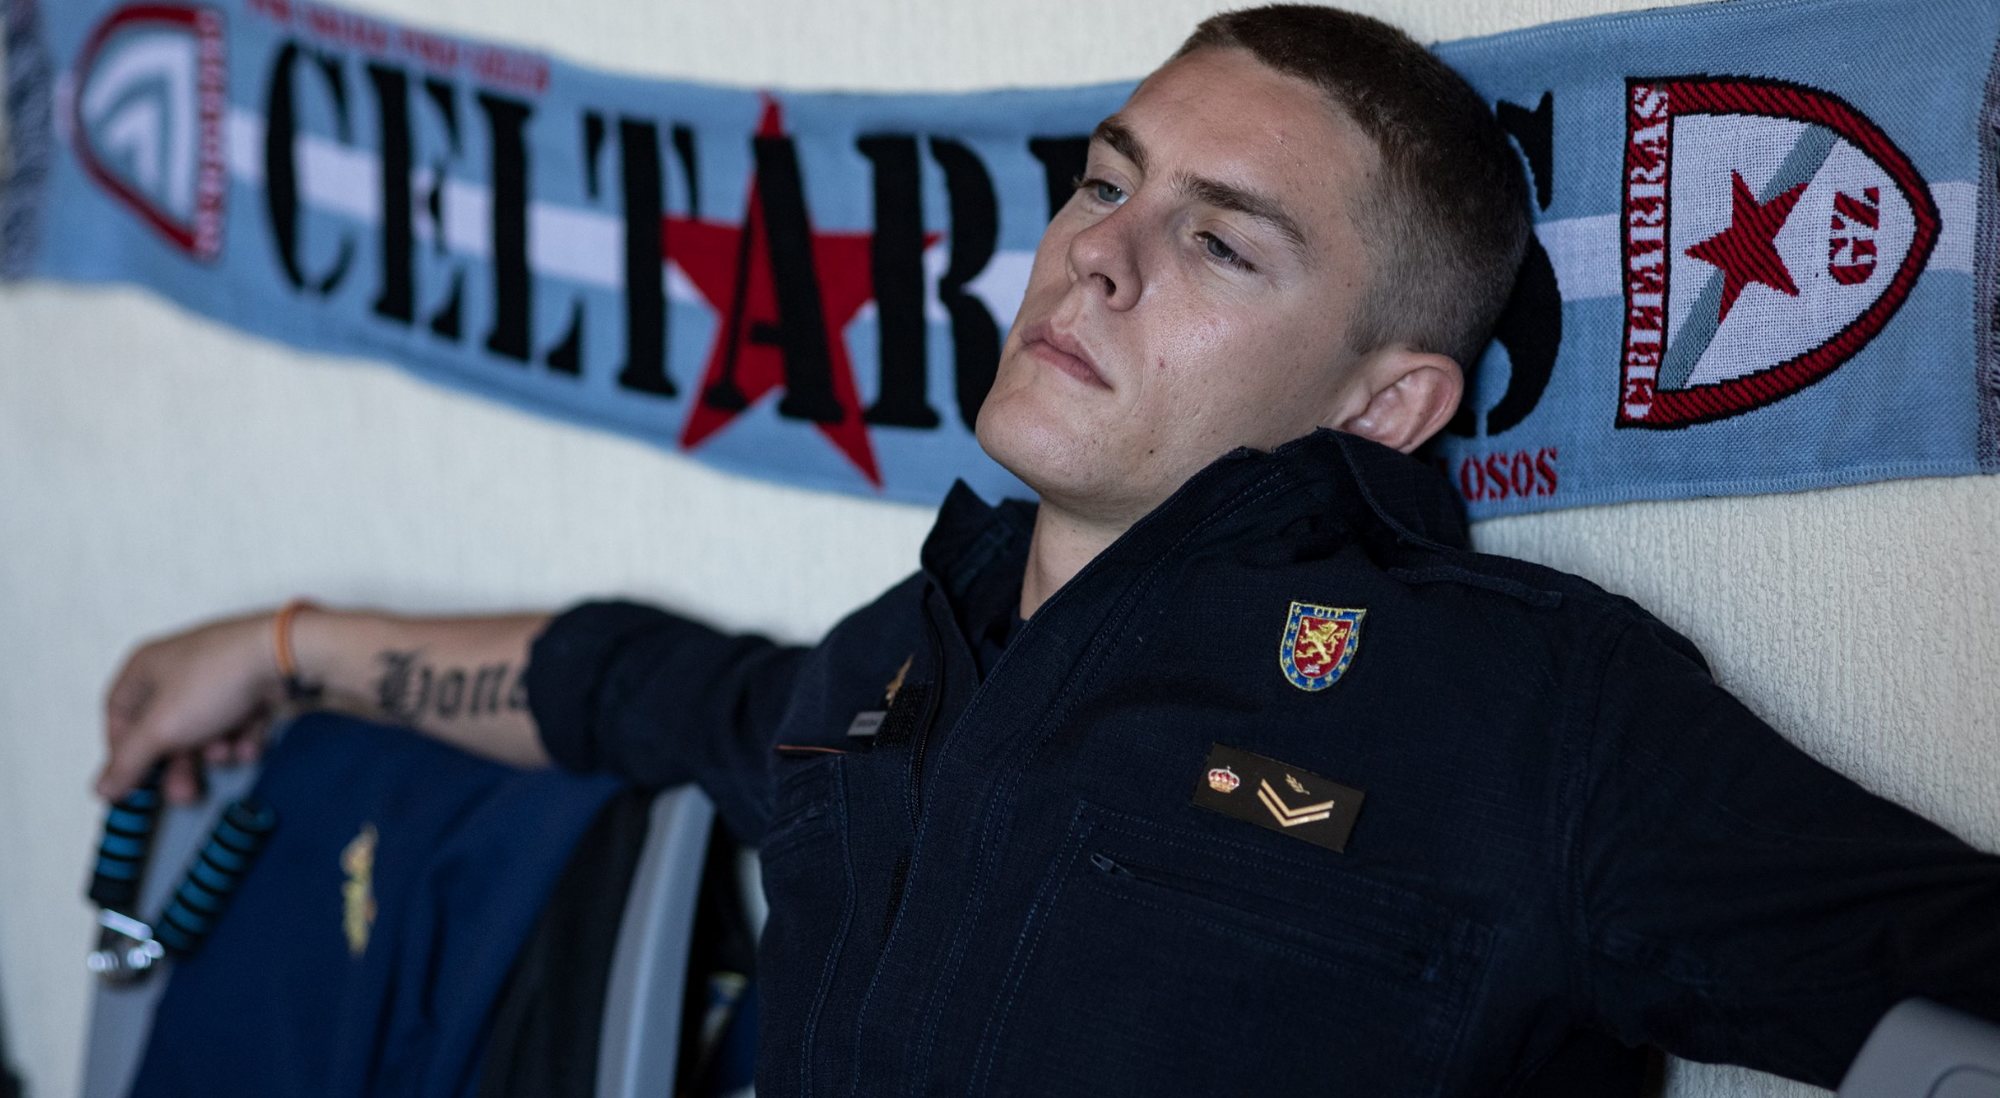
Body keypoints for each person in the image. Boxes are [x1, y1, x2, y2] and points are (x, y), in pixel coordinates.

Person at [96, 6, 2000, 1095]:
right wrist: (279, 642)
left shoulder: (1516, 708)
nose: (1095, 254)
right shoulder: (894, 655)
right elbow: (632, 688)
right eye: (1107, 180)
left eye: (1220, 241)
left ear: (1389, 402)